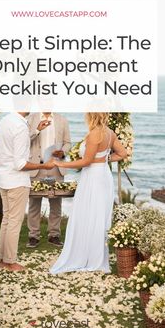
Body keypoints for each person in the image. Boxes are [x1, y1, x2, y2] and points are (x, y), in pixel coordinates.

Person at [50, 113, 127, 274]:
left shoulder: (94, 134)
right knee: (98, 215)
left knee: (88, 214)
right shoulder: (110, 132)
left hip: (93, 177)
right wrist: (105, 159)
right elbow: (122, 153)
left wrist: (61, 163)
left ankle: (88, 257)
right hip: (104, 175)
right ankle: (96, 256)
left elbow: (86, 161)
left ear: (91, 116)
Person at [0, 112, 54, 272]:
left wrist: (36, 131)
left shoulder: (4, 121)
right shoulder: (20, 125)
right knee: (14, 222)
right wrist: (43, 166)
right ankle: (11, 262)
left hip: (4, 180)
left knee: (6, 220)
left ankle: (2, 260)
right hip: (17, 182)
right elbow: (20, 164)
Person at [27, 112, 71, 247]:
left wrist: (63, 152)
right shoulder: (31, 119)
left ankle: (54, 235)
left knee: (56, 203)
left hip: (55, 166)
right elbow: (24, 140)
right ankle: (33, 236)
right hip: (37, 166)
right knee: (34, 203)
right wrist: (37, 130)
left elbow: (68, 143)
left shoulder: (62, 119)